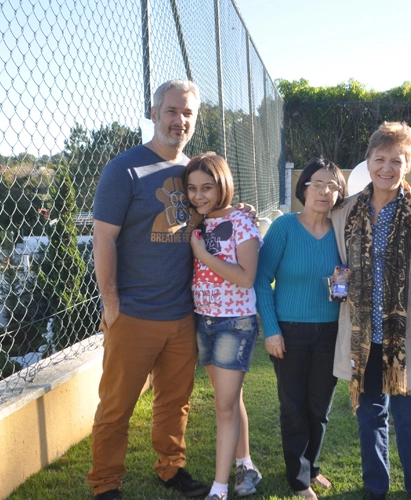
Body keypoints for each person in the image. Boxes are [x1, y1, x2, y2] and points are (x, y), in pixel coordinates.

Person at [87, 79, 211, 500]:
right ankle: (106, 483)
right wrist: (111, 302)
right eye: (172, 111)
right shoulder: (124, 169)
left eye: (188, 113)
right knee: (116, 408)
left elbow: (214, 213)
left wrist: (237, 207)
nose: (180, 120)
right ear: (154, 113)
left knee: (174, 402)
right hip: (134, 313)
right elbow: (102, 238)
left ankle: (171, 468)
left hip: (181, 313)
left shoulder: (196, 172)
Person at [330, 121, 411, 500]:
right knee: (370, 418)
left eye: (396, 161)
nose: (387, 168)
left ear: (408, 165)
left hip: (409, 337)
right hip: (362, 337)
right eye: (379, 158)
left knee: (410, 421)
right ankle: (375, 488)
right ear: (367, 162)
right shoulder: (345, 211)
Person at [254, 158, 348, 500]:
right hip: (290, 332)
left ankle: (312, 465)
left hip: (331, 332)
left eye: (333, 186)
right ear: (304, 188)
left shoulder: (342, 232)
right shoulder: (284, 228)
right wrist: (272, 330)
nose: (325, 191)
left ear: (340, 193)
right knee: (293, 406)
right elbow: (262, 280)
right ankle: (299, 479)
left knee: (319, 408)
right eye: (317, 184)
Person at [184, 152, 263, 500]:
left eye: (207, 188)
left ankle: (219, 489)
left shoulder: (243, 222)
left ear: (223, 186)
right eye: (192, 189)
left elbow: (247, 279)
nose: (199, 196)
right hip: (205, 321)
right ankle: (246, 464)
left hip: (235, 323)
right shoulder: (196, 221)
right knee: (228, 400)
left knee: (224, 406)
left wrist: (203, 256)